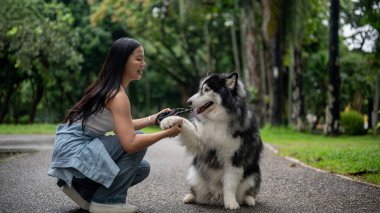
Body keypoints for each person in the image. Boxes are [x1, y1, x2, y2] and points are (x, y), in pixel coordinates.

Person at [48, 37, 182, 213]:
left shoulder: (109, 88)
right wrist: (165, 134)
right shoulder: (117, 95)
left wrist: (154, 118)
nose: (144, 63)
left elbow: (124, 125)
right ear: (122, 61)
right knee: (137, 141)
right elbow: (130, 143)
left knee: (142, 168)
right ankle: (106, 201)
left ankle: (85, 192)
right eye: (139, 58)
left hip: (73, 153)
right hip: (76, 152)